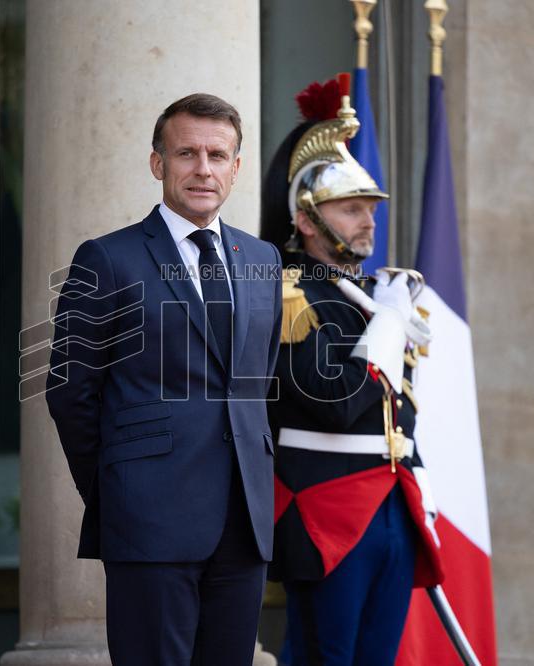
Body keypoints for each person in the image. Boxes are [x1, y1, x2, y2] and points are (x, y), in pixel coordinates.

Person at [46, 93, 283, 665]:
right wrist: (121, 488)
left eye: (218, 155)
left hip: (243, 523)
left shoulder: (264, 259)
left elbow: (256, 383)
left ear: (236, 167)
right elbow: (71, 392)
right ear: (159, 164)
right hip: (149, 520)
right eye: (187, 153)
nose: (204, 169)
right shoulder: (106, 259)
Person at [259, 78, 444, 666]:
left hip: (393, 501)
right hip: (325, 505)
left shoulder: (372, 295)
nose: (368, 221)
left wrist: (421, 481)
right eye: (351, 208)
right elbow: (335, 400)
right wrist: (388, 325)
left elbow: (400, 408)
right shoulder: (288, 294)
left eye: (370, 208)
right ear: (307, 220)